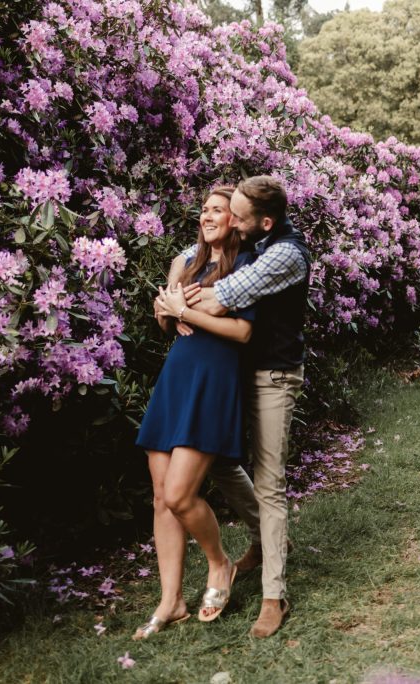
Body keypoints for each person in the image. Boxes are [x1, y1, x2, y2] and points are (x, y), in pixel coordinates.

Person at [168, 175, 310, 638]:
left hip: (273, 376)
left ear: (262, 221)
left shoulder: (285, 253)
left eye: (238, 216)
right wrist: (174, 285)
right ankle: (266, 539)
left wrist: (180, 303)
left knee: (269, 482)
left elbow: (220, 298)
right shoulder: (253, 242)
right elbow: (193, 256)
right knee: (222, 462)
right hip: (233, 374)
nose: (229, 220)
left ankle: (274, 595)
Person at [131, 186, 254, 640]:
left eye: (217, 210)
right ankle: (172, 601)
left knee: (181, 494)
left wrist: (187, 309)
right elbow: (167, 320)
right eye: (204, 209)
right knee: (161, 496)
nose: (207, 216)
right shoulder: (187, 262)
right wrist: (167, 310)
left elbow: (242, 332)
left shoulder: (247, 266)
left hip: (214, 379)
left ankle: (220, 564)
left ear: (235, 219)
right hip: (178, 374)